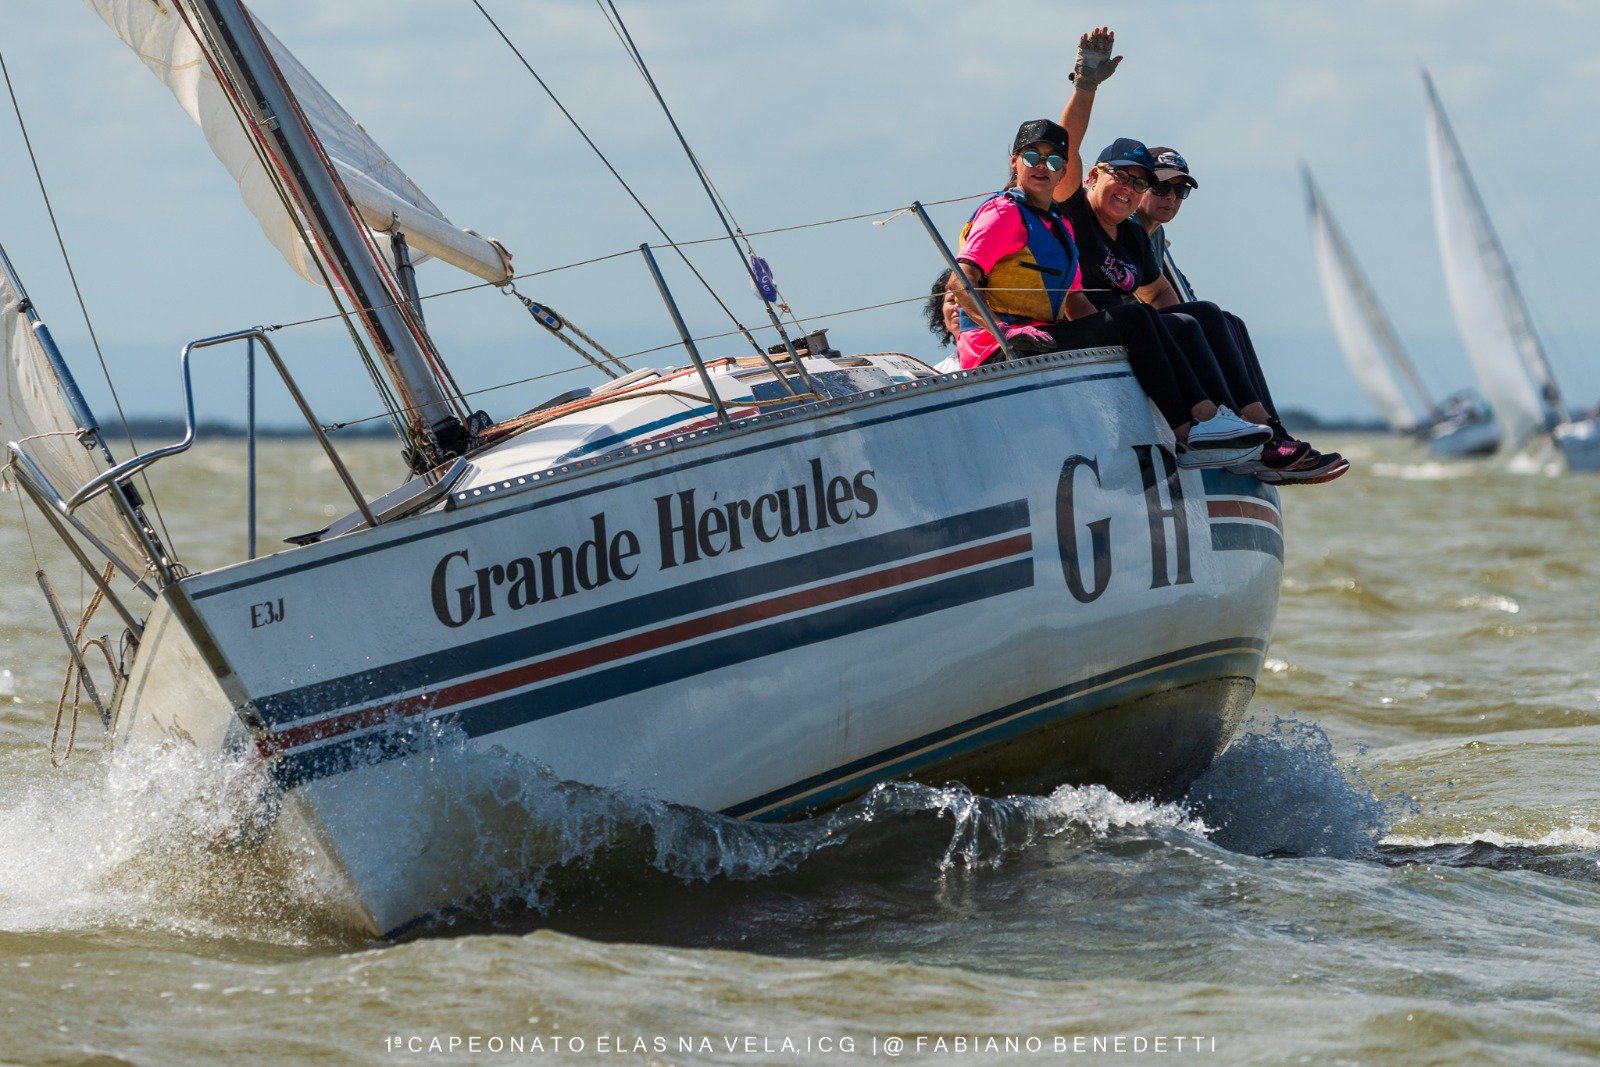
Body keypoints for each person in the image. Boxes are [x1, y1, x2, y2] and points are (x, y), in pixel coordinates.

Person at [1048, 28, 1344, 485]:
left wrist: (1190, 326)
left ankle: (1264, 431)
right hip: (1086, 329)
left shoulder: (1130, 235)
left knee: (1209, 315)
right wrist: (1086, 83)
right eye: (1120, 177)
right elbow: (1065, 149)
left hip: (1131, 330)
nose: (1129, 189)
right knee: (1170, 321)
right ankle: (1213, 428)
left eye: (1139, 183)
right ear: (1092, 177)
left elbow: (1159, 293)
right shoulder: (1073, 212)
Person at [949, 117, 1269, 467]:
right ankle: (1192, 430)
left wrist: (1110, 331)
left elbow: (1074, 301)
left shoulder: (1058, 224)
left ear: (1062, 172)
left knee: (1141, 317)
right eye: (1032, 157)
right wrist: (1004, 331)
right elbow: (960, 282)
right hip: (998, 347)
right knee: (1136, 317)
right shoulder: (1003, 213)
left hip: (1041, 337)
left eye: (1053, 160)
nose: (1042, 166)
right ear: (1015, 162)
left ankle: (1210, 421)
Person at [1131, 147, 1349, 484]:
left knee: (1229, 321)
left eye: (1180, 191)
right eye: (1161, 188)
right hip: (1131, 329)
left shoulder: (1154, 233)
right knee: (1203, 315)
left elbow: (1164, 297)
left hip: (1148, 324)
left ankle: (1271, 430)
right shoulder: (1129, 227)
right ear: (1141, 185)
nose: (1170, 198)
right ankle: (1252, 435)